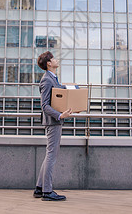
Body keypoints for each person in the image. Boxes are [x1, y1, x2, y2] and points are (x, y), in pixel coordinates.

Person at [33, 51, 73, 201]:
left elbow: (60, 91)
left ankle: (39, 188)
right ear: (49, 63)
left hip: (55, 121)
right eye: (54, 58)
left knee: (49, 154)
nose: (57, 60)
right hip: (53, 122)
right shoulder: (47, 80)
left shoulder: (53, 79)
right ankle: (47, 192)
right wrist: (60, 115)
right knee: (51, 155)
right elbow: (44, 105)